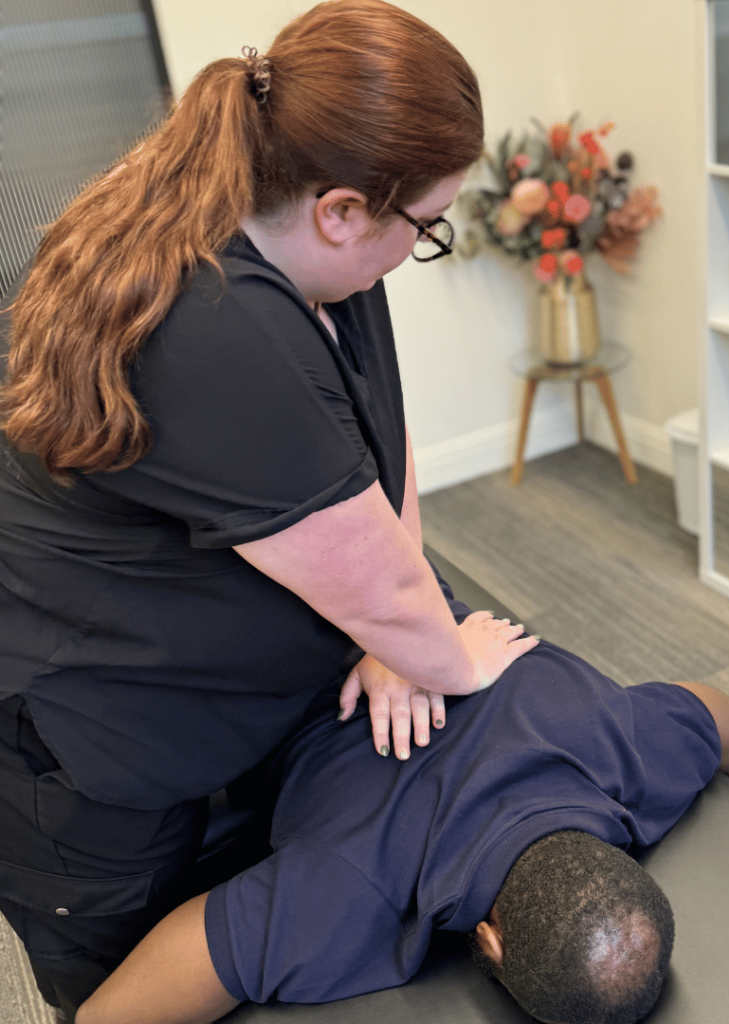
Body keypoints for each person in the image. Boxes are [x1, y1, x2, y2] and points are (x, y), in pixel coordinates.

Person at [0, 2, 537, 1017]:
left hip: (230, 707)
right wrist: (450, 652)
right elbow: (372, 575)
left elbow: (379, 446)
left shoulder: (311, 249)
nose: (418, 246)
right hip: (97, 749)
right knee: (133, 993)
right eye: (426, 226)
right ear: (343, 207)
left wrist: (397, 635)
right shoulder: (209, 321)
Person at [75, 581, 729, 1024]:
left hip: (390, 588)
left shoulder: (634, 744)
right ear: (491, 945)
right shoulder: (350, 890)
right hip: (240, 633)